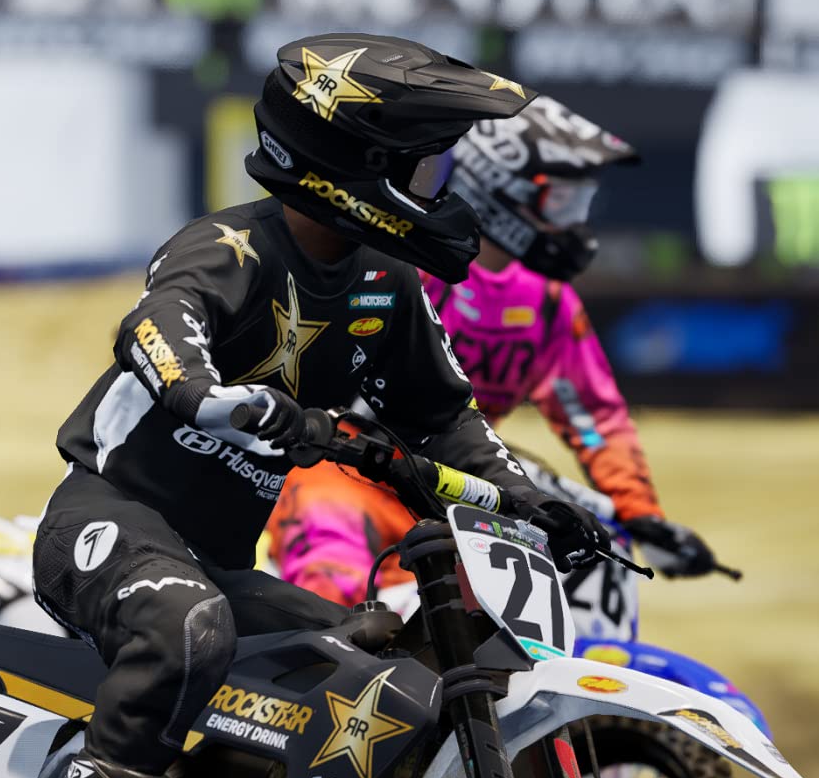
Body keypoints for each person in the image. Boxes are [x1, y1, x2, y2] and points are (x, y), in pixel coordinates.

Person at [0, 33, 611, 778]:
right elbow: (157, 329)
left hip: (221, 567)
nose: (440, 190)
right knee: (185, 627)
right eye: (425, 168)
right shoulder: (228, 249)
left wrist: (536, 499)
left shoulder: (382, 288)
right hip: (105, 522)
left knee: (392, 688)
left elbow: (447, 423)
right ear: (355, 166)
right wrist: (208, 395)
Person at [266, 95, 718, 607]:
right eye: (561, 203)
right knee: (335, 610)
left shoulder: (547, 301)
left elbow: (594, 417)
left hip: (467, 488)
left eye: (579, 204)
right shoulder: (408, 268)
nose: (574, 223)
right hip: (342, 475)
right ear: (501, 189)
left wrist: (640, 513)